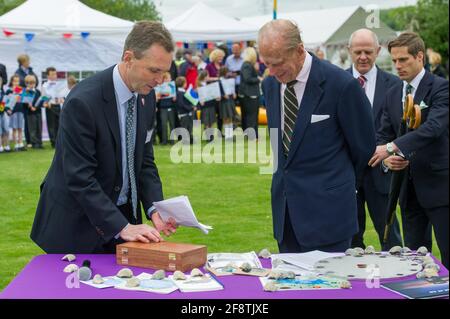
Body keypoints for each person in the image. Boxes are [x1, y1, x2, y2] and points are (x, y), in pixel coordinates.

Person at [30, 21, 178, 254]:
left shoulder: (146, 96)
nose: (160, 80)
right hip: (75, 226)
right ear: (128, 58)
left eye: (164, 72)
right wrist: (121, 226)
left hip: (121, 220)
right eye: (154, 71)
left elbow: (144, 161)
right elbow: (79, 176)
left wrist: (154, 208)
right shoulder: (83, 101)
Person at [259, 20, 376, 253]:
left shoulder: (341, 85)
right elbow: (280, 145)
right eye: (266, 64)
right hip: (286, 217)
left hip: (329, 217)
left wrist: (334, 185)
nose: (272, 72)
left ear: (299, 50)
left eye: (278, 63)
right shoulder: (271, 86)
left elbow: (363, 148)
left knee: (330, 290)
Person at [369, 32, 449, 269]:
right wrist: (389, 161)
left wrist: (393, 148)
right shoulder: (393, 93)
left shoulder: (441, 88)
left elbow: (433, 129)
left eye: (403, 59)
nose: (397, 66)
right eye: (394, 60)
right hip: (407, 189)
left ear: (420, 57)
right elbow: (384, 135)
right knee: (415, 258)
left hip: (440, 187)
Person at [346, 29, 403, 251]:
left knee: (391, 239)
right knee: (351, 241)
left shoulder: (394, 84)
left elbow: (400, 128)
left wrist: (392, 153)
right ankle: (353, 284)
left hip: (383, 173)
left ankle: (397, 282)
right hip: (348, 174)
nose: (363, 57)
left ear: (378, 51)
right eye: (358, 51)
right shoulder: (336, 82)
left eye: (368, 52)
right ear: (349, 51)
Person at [239, 47, 262, 140]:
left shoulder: (247, 65)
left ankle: (249, 134)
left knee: (248, 115)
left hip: (247, 94)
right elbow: (248, 79)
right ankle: (252, 135)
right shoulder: (247, 65)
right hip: (249, 94)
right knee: (251, 116)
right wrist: (259, 79)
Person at [41, 67, 63, 148]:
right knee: (51, 125)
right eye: (52, 74)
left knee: (59, 124)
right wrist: (47, 102)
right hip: (50, 106)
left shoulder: (59, 84)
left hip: (58, 106)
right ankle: (53, 142)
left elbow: (61, 95)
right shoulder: (45, 85)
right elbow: (43, 96)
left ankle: (59, 141)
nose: (54, 76)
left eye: (55, 74)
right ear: (48, 75)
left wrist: (61, 99)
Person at [5, 75, 26, 151]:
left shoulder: (21, 90)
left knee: (20, 128)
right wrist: (7, 109)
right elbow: (5, 102)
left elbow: (24, 100)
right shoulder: (9, 91)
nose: (16, 83)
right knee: (14, 129)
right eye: (15, 81)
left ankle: (21, 143)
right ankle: (16, 144)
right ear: (11, 81)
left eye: (18, 81)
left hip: (20, 111)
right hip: (13, 111)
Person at [156, 72, 177, 145]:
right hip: (163, 108)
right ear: (164, 79)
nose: (170, 79)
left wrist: (174, 96)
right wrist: (158, 96)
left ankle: (172, 141)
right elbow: (158, 97)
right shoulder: (159, 86)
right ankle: (164, 141)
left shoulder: (172, 86)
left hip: (170, 107)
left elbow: (174, 98)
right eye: (169, 78)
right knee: (164, 125)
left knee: (172, 124)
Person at [23, 74, 43, 149]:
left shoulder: (38, 91)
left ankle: (39, 142)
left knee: (39, 127)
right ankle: (34, 143)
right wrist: (28, 105)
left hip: (38, 111)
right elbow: (24, 103)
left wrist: (37, 107)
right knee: (32, 128)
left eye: (33, 83)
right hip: (30, 113)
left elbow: (40, 101)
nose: (32, 85)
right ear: (26, 84)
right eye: (30, 83)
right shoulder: (26, 92)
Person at [175, 76, 194, 144]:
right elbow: (181, 104)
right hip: (183, 113)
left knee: (189, 127)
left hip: (188, 113)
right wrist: (190, 108)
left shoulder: (184, 91)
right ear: (183, 84)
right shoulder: (180, 93)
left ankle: (189, 140)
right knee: (184, 127)